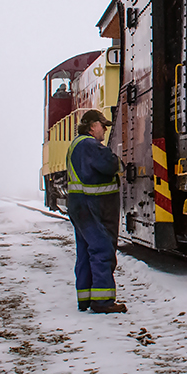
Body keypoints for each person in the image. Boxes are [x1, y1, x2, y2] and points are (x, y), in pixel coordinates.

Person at [66, 109, 125, 313]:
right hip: (91, 205)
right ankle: (102, 301)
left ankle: (85, 298)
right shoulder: (90, 145)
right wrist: (119, 163)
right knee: (102, 249)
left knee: (85, 251)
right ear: (92, 126)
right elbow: (109, 164)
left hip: (80, 206)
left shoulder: (77, 144)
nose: (105, 130)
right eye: (103, 125)